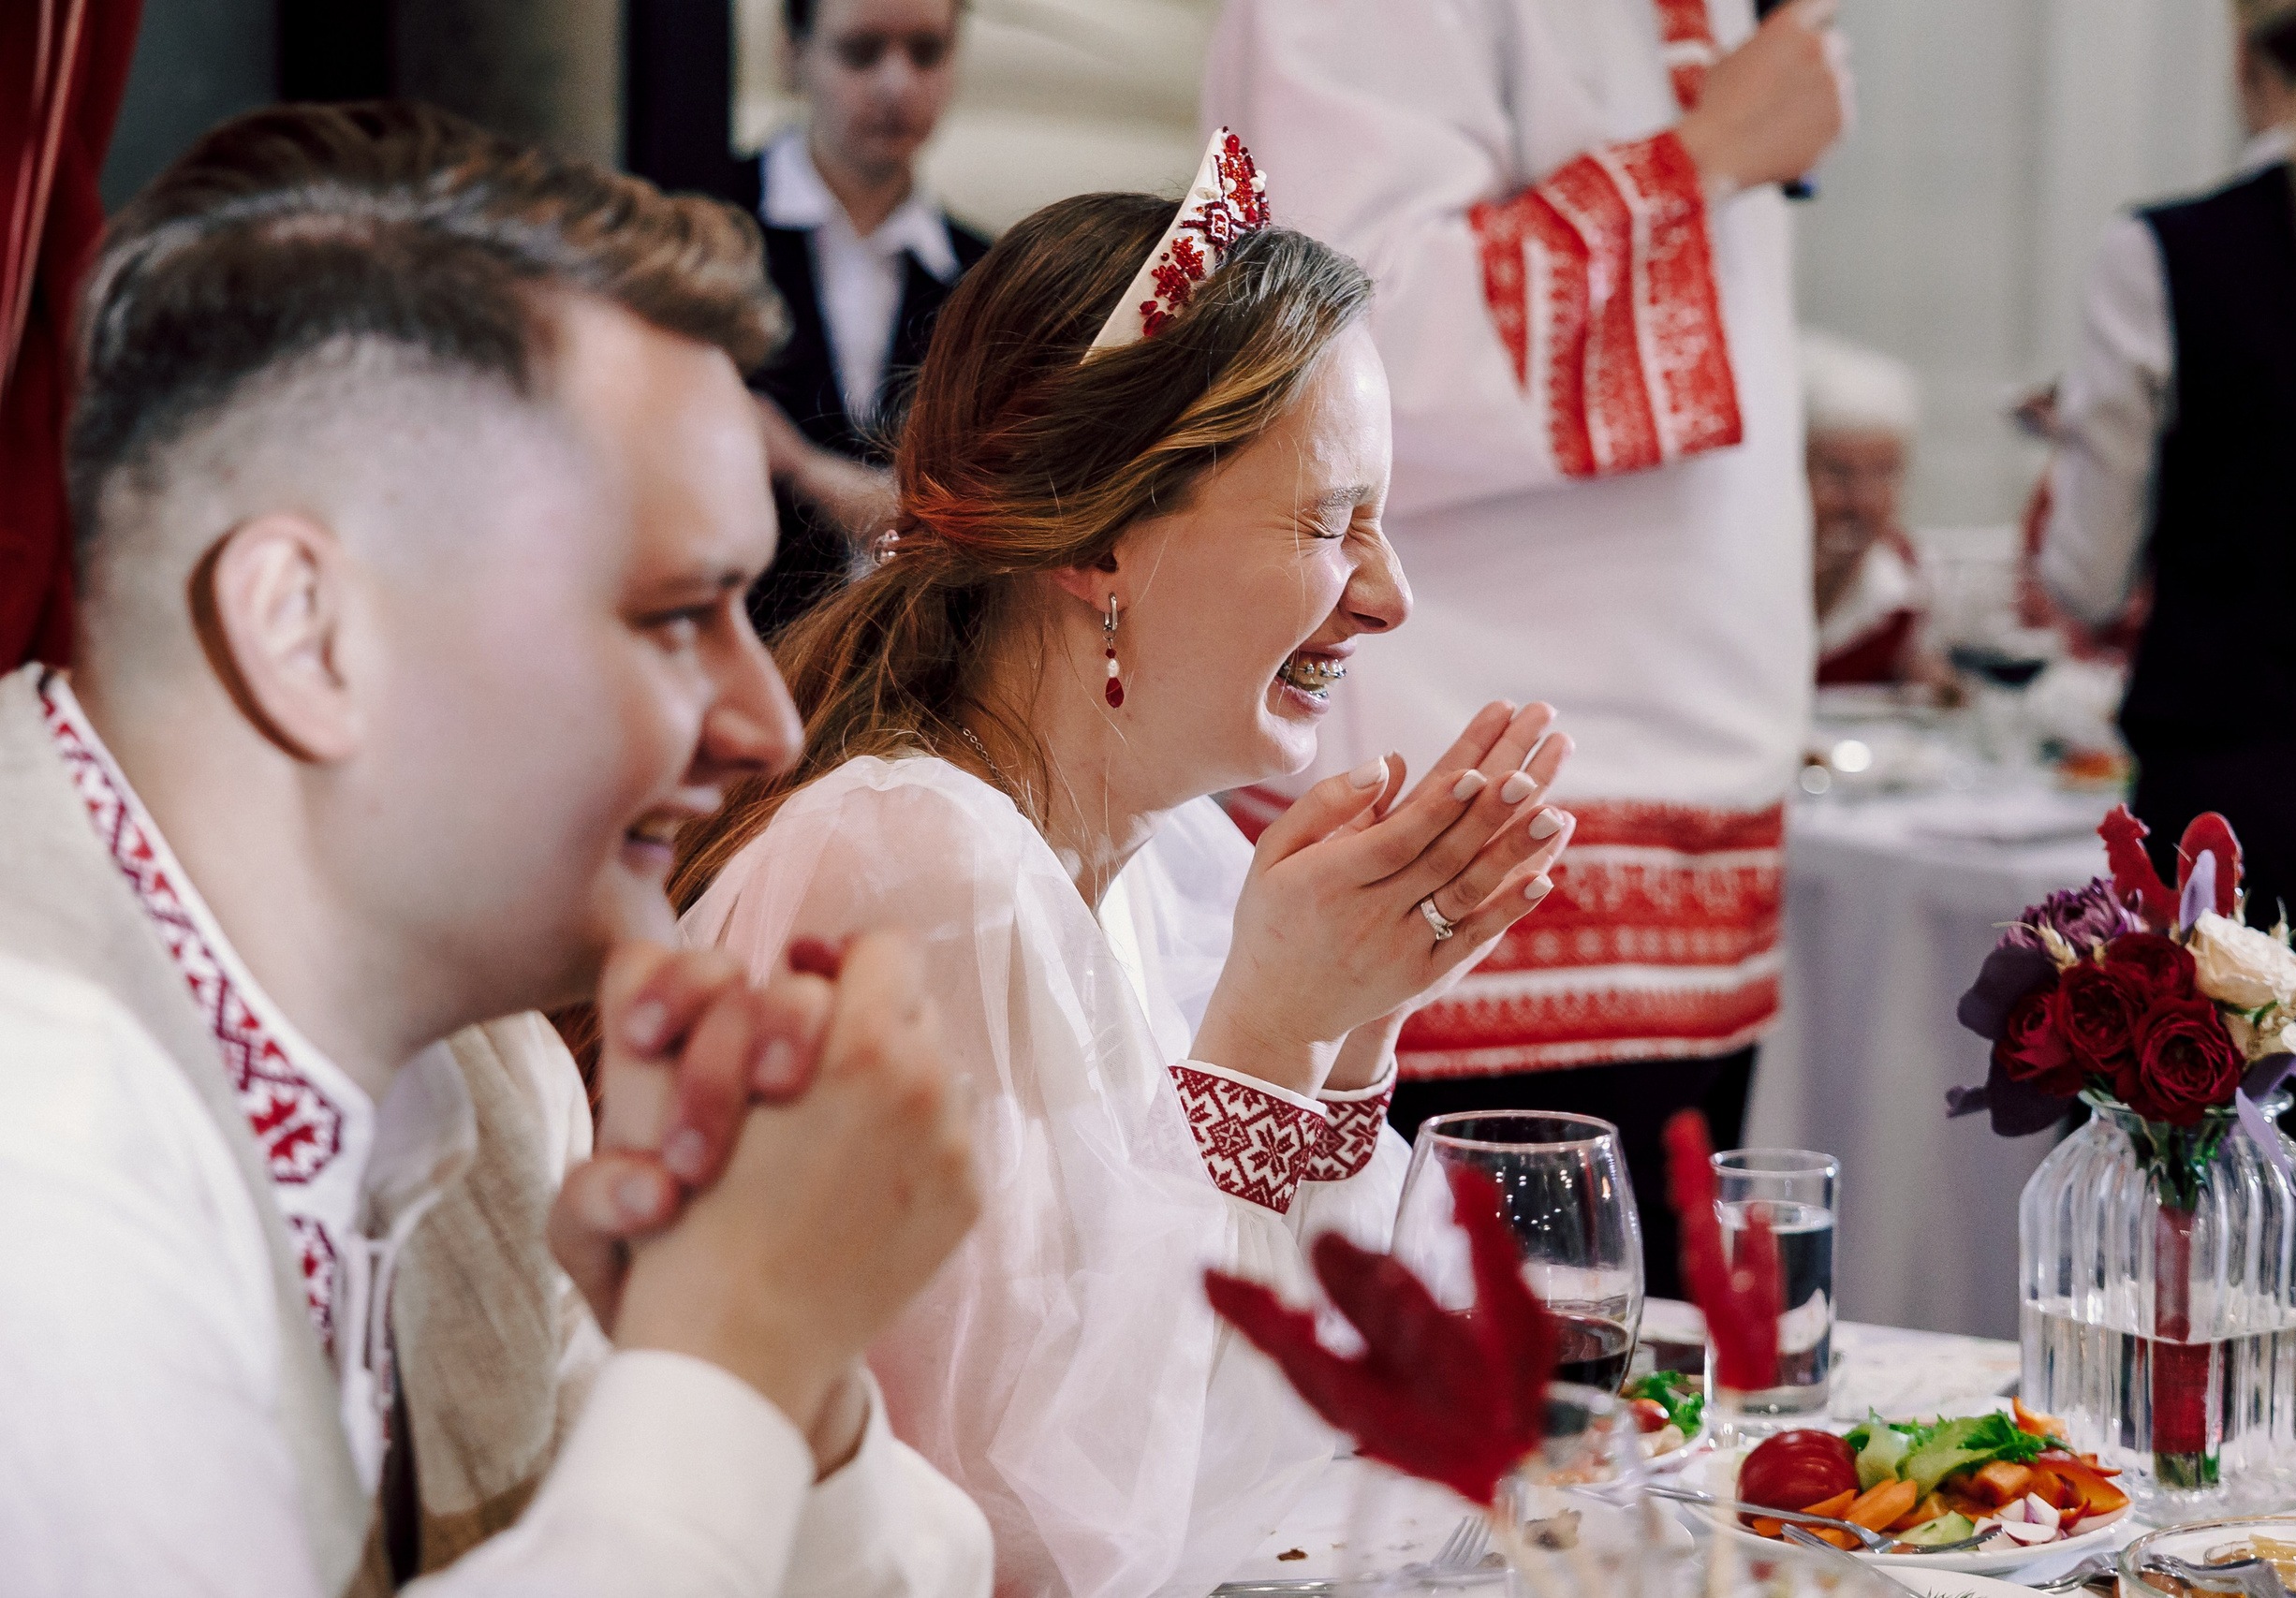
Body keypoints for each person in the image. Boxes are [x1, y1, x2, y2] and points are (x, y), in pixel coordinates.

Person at [0, 101, 992, 1595]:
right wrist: (735, 1351)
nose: (764, 724)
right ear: (309, 634)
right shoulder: (42, 1133)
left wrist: (778, 1366)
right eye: (674, 614)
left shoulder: (490, 1070)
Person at [667, 133, 1581, 1596]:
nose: (1390, 593)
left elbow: (1301, 1418)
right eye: (1330, 521)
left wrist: (1352, 1027)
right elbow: (1033, 1532)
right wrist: (1270, 1036)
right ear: (1100, 542)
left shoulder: (1171, 863)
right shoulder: (914, 859)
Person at [1204, 0, 1848, 1295]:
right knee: (1467, 1436)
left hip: (1686, 804)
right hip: (1469, 777)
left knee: (1647, 1417)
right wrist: (1705, 156)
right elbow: (1339, 348)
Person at [2039, 0, 2296, 1279]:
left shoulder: (2171, 255)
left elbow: (2082, 575)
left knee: (2243, 1233)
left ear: (2250, 59)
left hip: (2245, 833)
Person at [740, 0, 988, 640]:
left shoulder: (989, 275)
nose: (896, 85)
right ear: (791, 52)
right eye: (861, 51)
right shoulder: (698, 227)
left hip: (913, 666)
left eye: (926, 52)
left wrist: (800, 464)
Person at [1802, 330, 1940, 687]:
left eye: (1883, 474)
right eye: (1837, 473)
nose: (1861, 501)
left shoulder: (1909, 583)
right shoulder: (1741, 578)